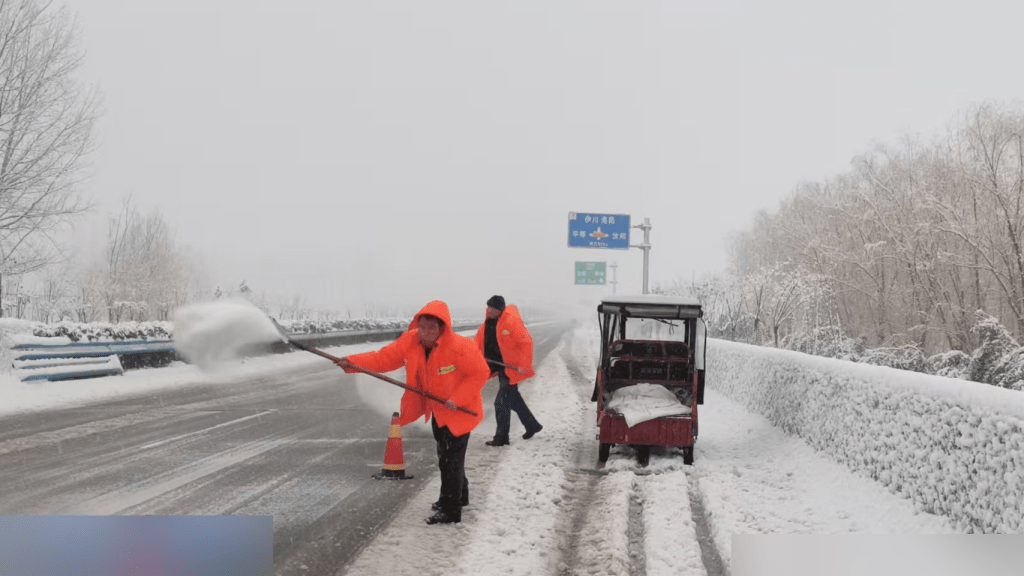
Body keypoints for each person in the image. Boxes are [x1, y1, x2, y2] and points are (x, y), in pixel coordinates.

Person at [335, 300, 489, 525]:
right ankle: (458, 496)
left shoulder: (460, 347)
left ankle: (451, 509)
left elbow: (480, 373)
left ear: (442, 327)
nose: (425, 333)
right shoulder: (410, 341)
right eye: (422, 327)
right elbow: (382, 358)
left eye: (431, 328)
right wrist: (352, 363)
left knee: (450, 460)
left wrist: (457, 398)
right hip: (438, 411)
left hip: (460, 412)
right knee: (448, 457)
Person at [474, 295, 542, 446]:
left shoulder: (510, 322)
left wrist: (523, 365)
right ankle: (532, 425)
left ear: (500, 309)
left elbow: (526, 342)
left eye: (493, 308)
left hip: (510, 368)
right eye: (488, 307)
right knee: (513, 399)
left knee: (501, 402)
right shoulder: (487, 324)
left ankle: (502, 437)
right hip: (497, 365)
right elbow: (477, 343)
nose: (490, 310)